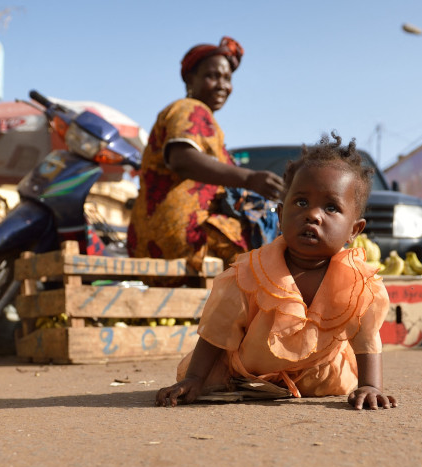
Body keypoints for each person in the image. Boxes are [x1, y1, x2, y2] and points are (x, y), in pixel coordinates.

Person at [156, 133, 397, 410]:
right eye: (301, 202)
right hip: (246, 375)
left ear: (354, 230)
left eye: (331, 207)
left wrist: (371, 386)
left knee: (336, 375)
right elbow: (217, 331)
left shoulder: (358, 285)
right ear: (281, 216)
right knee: (217, 381)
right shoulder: (250, 275)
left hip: (316, 374)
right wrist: (195, 378)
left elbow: (366, 337)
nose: (313, 215)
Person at [128, 36, 285, 272]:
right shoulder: (190, 109)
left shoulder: (203, 120)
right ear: (191, 79)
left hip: (145, 241)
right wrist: (249, 179)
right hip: (181, 237)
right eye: (213, 76)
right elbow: (182, 159)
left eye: (227, 78)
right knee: (276, 252)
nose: (222, 85)